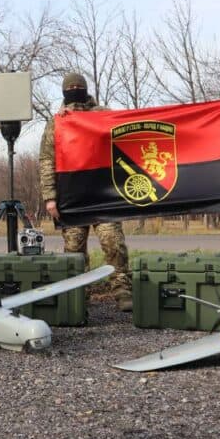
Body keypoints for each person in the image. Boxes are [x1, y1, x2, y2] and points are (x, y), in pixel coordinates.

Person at [39, 72, 133, 312]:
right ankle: (79, 294)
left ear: (85, 89)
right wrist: (50, 198)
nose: (74, 89)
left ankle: (122, 289)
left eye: (77, 86)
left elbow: (120, 130)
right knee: (74, 249)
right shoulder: (56, 122)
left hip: (103, 194)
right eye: (69, 87)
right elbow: (47, 161)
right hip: (72, 197)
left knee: (113, 243)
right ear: (63, 92)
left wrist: (92, 116)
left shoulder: (102, 114)